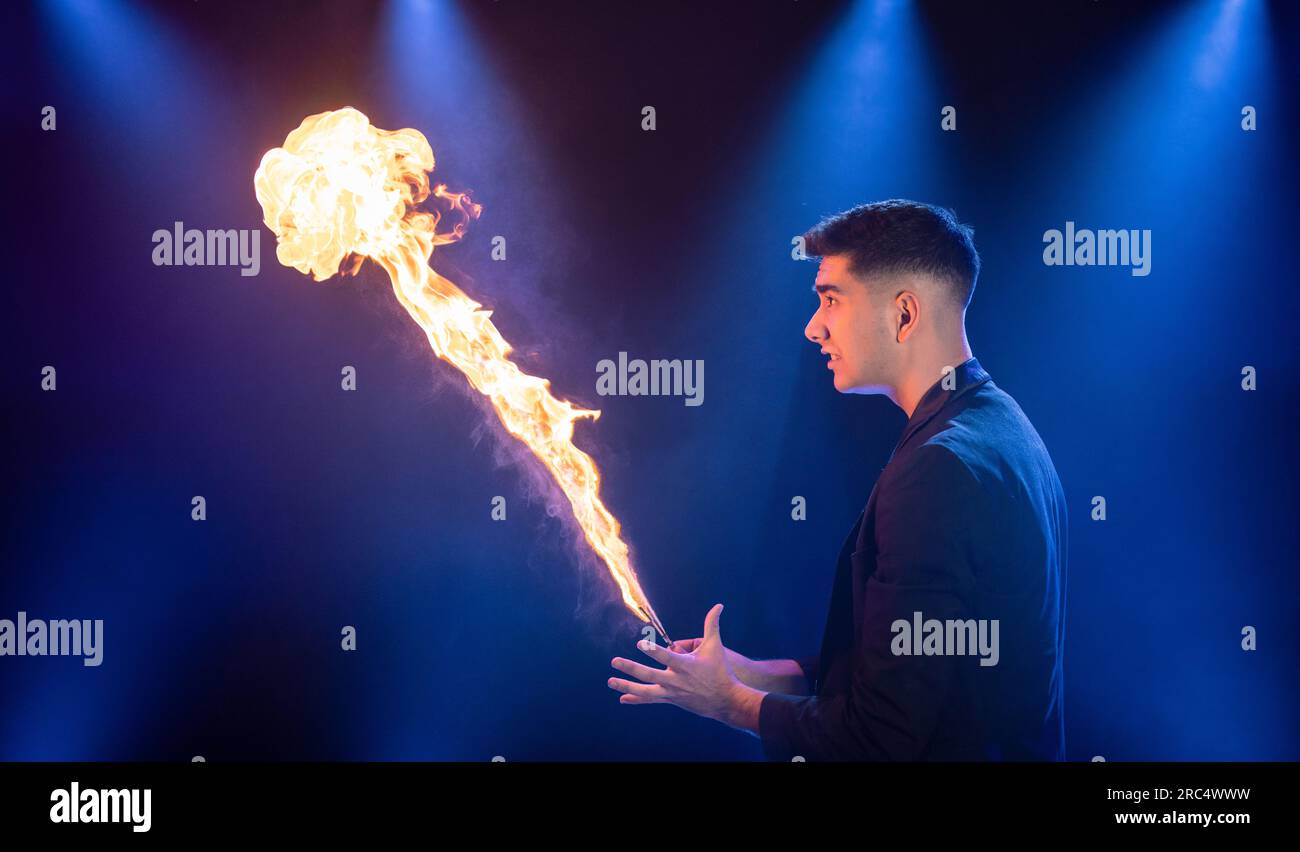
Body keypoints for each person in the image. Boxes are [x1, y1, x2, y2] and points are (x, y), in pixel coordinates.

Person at [608, 200, 1068, 760]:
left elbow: (879, 737)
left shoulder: (939, 468)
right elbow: (914, 668)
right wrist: (750, 673)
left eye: (831, 299)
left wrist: (730, 702)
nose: (813, 327)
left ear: (904, 314)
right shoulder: (1005, 427)